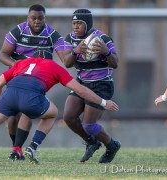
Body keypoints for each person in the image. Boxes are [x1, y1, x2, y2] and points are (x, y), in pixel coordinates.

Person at [0, 51, 119, 165]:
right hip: (32, 98)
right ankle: (33, 146)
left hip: (9, 95)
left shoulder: (21, 64)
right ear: (49, 57)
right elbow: (80, 89)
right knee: (53, 114)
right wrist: (103, 102)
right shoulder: (54, 66)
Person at [0, 4, 65, 160]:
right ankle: (15, 147)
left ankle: (17, 149)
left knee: (28, 111)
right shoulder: (18, 31)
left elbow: (65, 59)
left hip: (37, 80)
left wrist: (73, 52)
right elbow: (2, 54)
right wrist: (17, 66)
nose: (36, 21)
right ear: (28, 18)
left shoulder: (52, 35)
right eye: (33, 18)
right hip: (18, 76)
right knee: (13, 115)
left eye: (40, 18)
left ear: (44, 18)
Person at [63, 9, 120, 163]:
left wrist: (106, 52)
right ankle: (92, 142)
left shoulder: (102, 38)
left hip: (101, 84)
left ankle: (111, 145)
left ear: (87, 24)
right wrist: (75, 51)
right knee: (68, 117)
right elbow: (67, 63)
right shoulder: (70, 38)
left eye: (79, 23)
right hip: (81, 83)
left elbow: (115, 63)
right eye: (74, 23)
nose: (75, 27)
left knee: (88, 125)